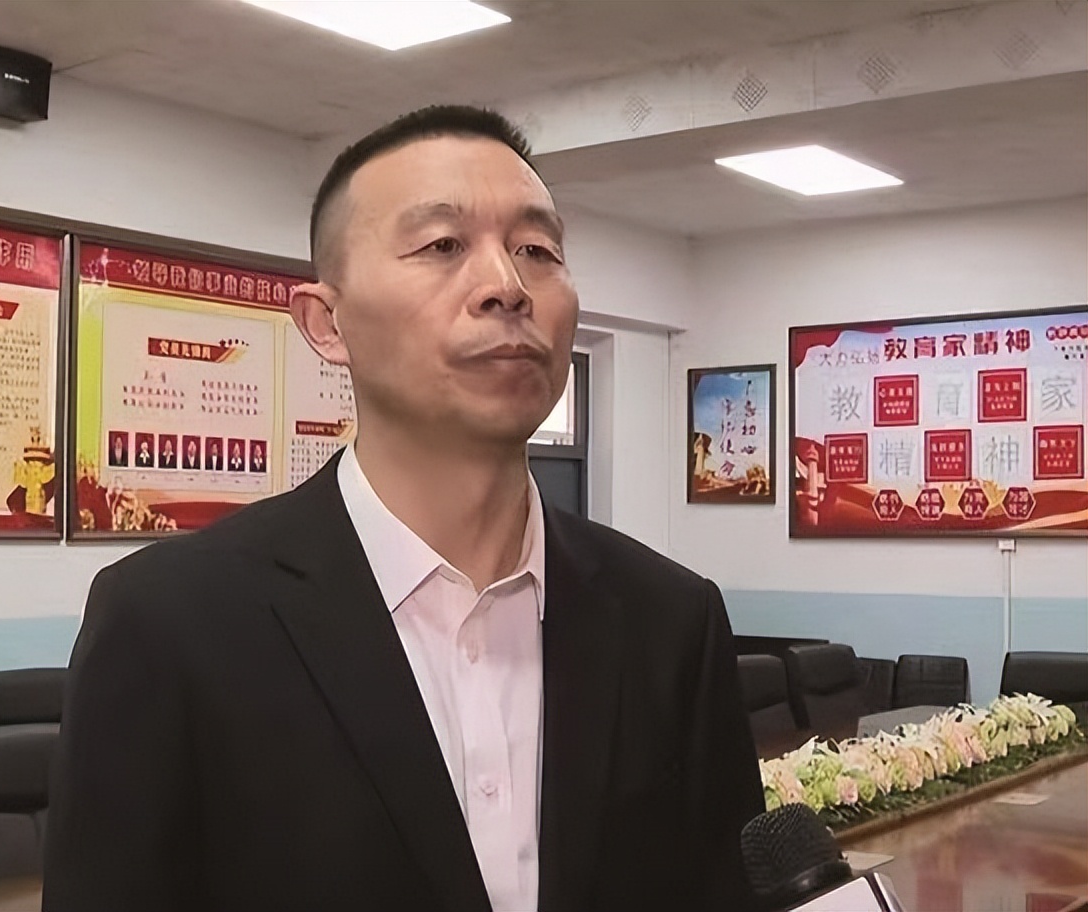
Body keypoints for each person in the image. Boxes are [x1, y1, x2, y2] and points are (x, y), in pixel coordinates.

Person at [44, 106, 762, 912]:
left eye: (537, 249)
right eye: (443, 246)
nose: (507, 286)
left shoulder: (671, 620)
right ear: (327, 323)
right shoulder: (171, 622)